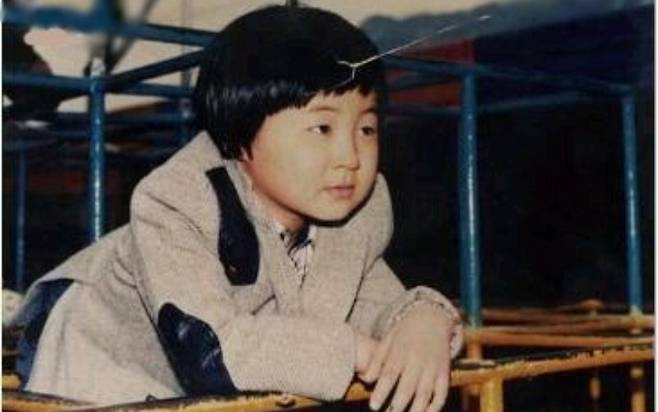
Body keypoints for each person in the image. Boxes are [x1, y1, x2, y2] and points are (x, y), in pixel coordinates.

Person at [13, 5, 463, 411]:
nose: (350, 157)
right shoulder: (177, 199)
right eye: (322, 128)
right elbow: (210, 348)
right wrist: (358, 351)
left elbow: (370, 301)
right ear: (241, 136)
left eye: (366, 128)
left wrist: (423, 319)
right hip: (100, 346)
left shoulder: (355, 212)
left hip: (202, 364)